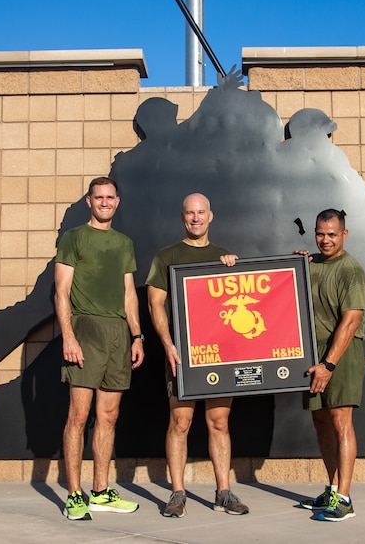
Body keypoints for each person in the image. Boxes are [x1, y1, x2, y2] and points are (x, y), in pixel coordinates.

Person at [146, 193, 249, 518]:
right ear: (183, 217)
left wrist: (234, 271)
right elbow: (155, 303)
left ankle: (224, 492)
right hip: (182, 354)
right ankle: (178, 493)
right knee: (180, 422)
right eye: (190, 213)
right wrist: (167, 343)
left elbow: (244, 299)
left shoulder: (223, 257)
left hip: (218, 355)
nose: (195, 218)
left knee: (219, 422)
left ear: (210, 216)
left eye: (200, 212)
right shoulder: (167, 256)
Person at [55, 176, 143, 521]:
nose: (104, 202)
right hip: (85, 329)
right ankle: (75, 495)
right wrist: (68, 336)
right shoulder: (74, 238)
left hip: (118, 334)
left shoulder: (124, 243)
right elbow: (61, 292)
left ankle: (101, 491)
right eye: (98, 197)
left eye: (110, 197)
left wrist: (137, 336)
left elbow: (129, 294)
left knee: (109, 416)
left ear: (117, 202)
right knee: (78, 416)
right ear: (89, 201)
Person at [296, 209, 365, 522]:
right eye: (320, 234)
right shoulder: (312, 263)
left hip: (340, 354)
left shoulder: (351, 270)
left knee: (341, 421)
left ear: (344, 235)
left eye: (332, 235)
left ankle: (346, 498)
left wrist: (329, 363)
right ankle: (333, 487)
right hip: (314, 354)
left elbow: (351, 321)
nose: (325, 240)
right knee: (321, 421)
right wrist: (295, 263)